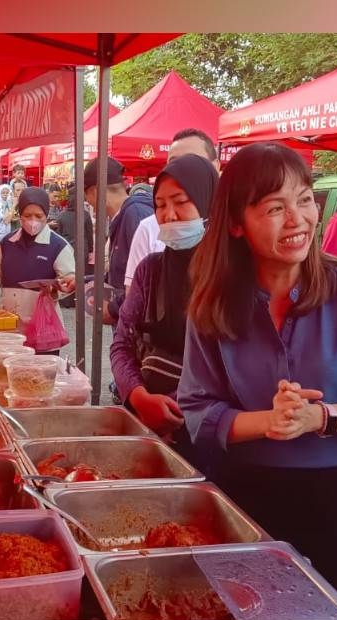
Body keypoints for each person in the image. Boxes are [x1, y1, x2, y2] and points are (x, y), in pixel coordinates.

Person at [177, 142, 337, 620]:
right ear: (235, 223)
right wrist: (268, 421)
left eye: (305, 199)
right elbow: (198, 410)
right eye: (274, 207)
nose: (298, 219)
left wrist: (320, 417)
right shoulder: (213, 302)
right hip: (249, 499)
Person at [111, 154, 218, 470]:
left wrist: (173, 410)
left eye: (181, 202)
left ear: (208, 203)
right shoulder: (150, 270)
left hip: (208, 436)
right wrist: (140, 398)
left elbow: (231, 365)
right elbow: (122, 343)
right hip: (146, 421)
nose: (169, 215)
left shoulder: (229, 275)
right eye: (160, 205)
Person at [0, 187, 76, 354]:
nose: (33, 221)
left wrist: (61, 288)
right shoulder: (7, 243)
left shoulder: (58, 245)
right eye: (27, 215)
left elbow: (68, 279)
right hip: (12, 326)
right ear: (19, 215)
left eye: (39, 216)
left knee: (40, 376)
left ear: (46, 215)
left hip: (43, 327)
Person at [125, 128, 221, 295]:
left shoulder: (238, 233)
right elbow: (132, 304)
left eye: (193, 162)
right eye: (174, 163)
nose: (170, 216)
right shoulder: (149, 231)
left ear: (214, 167)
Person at [83, 157, 153, 326]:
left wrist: (113, 309)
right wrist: (83, 280)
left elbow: (145, 281)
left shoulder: (134, 215)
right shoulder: (122, 217)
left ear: (95, 191)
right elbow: (121, 273)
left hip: (138, 330)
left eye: (87, 196)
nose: (89, 203)